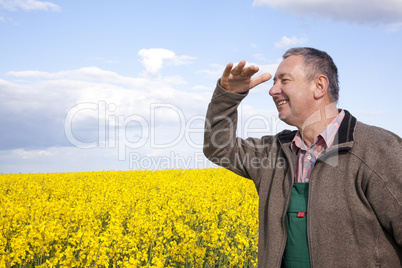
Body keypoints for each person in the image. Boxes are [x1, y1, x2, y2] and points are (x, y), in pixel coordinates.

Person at [203, 47, 402, 268]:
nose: (272, 90)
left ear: (319, 86)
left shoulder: (378, 149)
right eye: (274, 82)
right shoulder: (273, 152)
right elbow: (218, 148)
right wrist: (228, 96)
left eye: (284, 80)